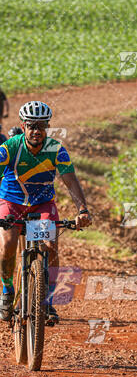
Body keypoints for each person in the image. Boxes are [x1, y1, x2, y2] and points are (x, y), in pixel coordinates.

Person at [0, 101, 92, 323]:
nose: (36, 131)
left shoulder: (56, 149)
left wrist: (82, 210)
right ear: (23, 126)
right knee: (8, 245)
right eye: (31, 126)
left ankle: (47, 302)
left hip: (42, 204)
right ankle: (7, 290)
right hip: (12, 202)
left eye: (41, 126)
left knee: (50, 247)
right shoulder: (10, 148)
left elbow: (70, 181)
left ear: (47, 127)